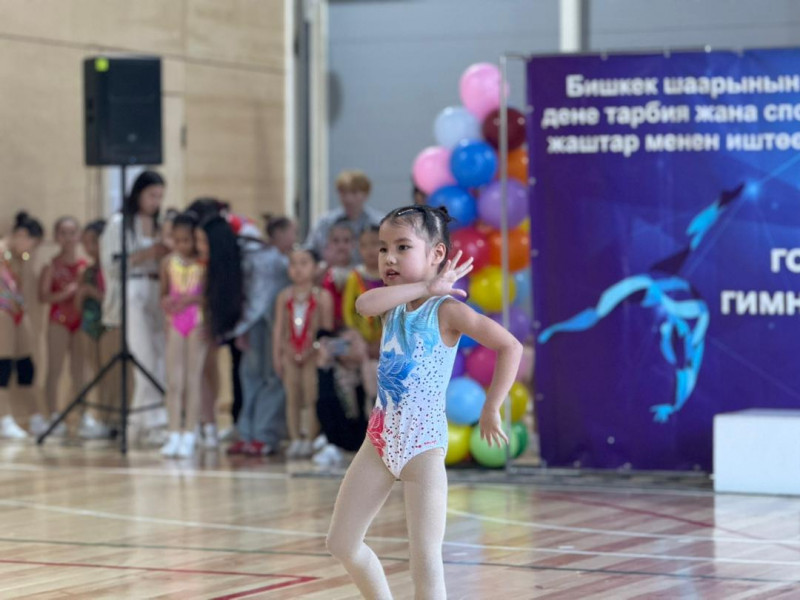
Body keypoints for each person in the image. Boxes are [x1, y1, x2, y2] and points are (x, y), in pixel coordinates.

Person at [326, 205, 522, 598]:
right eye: (383, 248)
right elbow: (363, 305)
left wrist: (491, 407)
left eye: (402, 247)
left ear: (436, 254)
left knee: (426, 562)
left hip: (424, 448)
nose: (389, 257)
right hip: (378, 443)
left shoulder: (447, 311)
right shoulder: (391, 303)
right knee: (342, 543)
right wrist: (423, 287)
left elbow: (510, 346)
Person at [100, 170, 170, 445]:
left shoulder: (161, 224)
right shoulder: (120, 223)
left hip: (158, 289)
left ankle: (137, 424)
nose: (156, 201)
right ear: (138, 194)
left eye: (160, 196)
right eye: (152, 195)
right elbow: (112, 265)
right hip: (133, 287)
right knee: (144, 359)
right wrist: (148, 253)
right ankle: (151, 423)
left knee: (160, 358)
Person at [227, 215, 296, 457]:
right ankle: (259, 435)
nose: (294, 238)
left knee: (255, 379)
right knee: (266, 378)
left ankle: (253, 434)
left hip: (261, 323)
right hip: (264, 323)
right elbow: (256, 295)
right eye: (292, 232)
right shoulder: (275, 260)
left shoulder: (267, 257)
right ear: (280, 234)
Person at [273, 248, 334, 459]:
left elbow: (326, 330)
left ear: (316, 267)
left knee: (311, 395)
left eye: (304, 263)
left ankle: (310, 437)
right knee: (292, 396)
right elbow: (279, 329)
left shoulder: (322, 296)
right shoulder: (284, 296)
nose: (298, 269)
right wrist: (278, 355)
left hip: (312, 355)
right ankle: (295, 438)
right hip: (290, 352)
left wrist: (316, 351)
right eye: (293, 264)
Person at [159, 212, 207, 458]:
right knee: (174, 381)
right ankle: (173, 432)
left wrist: (192, 299)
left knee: (192, 379)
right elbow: (163, 293)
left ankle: (190, 432)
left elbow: (207, 297)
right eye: (176, 240)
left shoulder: (203, 264)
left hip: (197, 321)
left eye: (186, 240)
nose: (181, 245)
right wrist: (166, 301)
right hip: (176, 321)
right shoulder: (168, 262)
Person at [196, 214, 244, 446]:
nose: (199, 247)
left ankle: (234, 424)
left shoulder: (234, 266)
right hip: (209, 326)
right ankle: (206, 423)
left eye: (203, 242)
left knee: (236, 373)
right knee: (203, 371)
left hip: (236, 326)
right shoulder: (203, 267)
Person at [37, 217, 87, 436]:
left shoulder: (85, 266)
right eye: (63, 233)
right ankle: (53, 414)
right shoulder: (51, 266)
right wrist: (65, 293)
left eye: (72, 232)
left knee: (80, 372)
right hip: (58, 320)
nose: (68, 238)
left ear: (78, 236)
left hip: (80, 322)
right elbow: (43, 296)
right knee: (54, 369)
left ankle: (81, 414)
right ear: (56, 236)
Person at [0, 212, 43, 439]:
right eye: (31, 244)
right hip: (2, 310)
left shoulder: (18, 258)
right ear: (22, 234)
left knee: (26, 365)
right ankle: (4, 418)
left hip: (17, 310)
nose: (30, 250)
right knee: (3, 365)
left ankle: (35, 416)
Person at [74, 219, 112, 439]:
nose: (89, 248)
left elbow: (111, 299)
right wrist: (81, 294)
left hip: (107, 323)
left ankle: (108, 417)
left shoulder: (109, 270)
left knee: (109, 374)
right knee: (94, 373)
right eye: (86, 242)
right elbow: (78, 304)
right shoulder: (86, 271)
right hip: (89, 324)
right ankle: (95, 416)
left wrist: (92, 292)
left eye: (93, 242)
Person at [305, 169, 383, 264]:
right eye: (343, 193)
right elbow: (309, 253)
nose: (348, 198)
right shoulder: (324, 222)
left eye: (354, 192)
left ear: (366, 194)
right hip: (331, 271)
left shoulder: (378, 223)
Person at [341, 224, 383, 402]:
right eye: (364, 245)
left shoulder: (390, 275)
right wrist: (358, 336)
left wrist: (381, 339)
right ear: (359, 248)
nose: (370, 250)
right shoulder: (355, 276)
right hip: (361, 340)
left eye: (375, 244)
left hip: (385, 338)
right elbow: (347, 311)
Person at [320, 220, 355, 330]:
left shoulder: (359, 273)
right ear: (328, 244)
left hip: (352, 329)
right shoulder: (320, 271)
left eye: (346, 241)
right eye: (336, 241)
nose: (341, 246)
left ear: (353, 245)